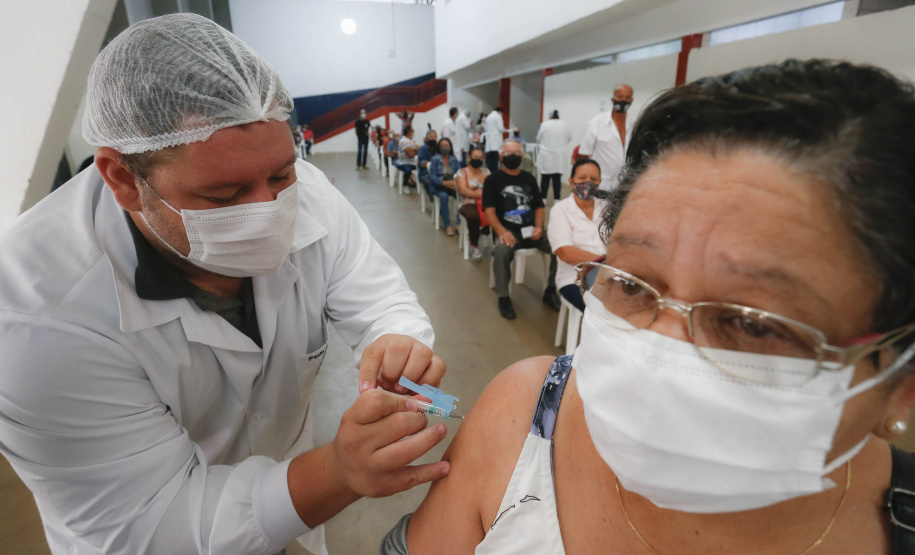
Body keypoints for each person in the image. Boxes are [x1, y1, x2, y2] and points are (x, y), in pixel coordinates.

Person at [383, 59, 915, 554]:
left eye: (752, 323)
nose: (661, 355)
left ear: (901, 386)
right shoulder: (522, 414)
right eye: (634, 285)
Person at [0, 15, 452, 555]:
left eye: (281, 175)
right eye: (224, 196)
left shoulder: (306, 191)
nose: (269, 212)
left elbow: (378, 294)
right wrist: (334, 473)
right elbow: (152, 525)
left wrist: (394, 338)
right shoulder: (37, 321)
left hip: (289, 506)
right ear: (122, 179)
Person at [481, 139, 560, 320]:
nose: (513, 156)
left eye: (517, 153)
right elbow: (489, 211)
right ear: (501, 156)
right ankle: (504, 297)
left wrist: (539, 226)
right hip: (508, 232)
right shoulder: (493, 180)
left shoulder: (529, 178)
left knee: (560, 245)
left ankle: (550, 290)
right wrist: (501, 231)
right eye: (509, 153)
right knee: (501, 251)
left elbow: (539, 207)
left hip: (532, 231)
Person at [547, 159, 605, 312]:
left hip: (610, 275)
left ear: (600, 182)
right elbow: (565, 253)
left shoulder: (607, 208)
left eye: (593, 179)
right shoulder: (560, 210)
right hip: (575, 279)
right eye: (582, 178)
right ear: (571, 182)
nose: (588, 183)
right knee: (603, 312)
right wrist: (607, 265)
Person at [578, 83, 634, 191]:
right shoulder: (596, 123)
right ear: (613, 99)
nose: (623, 100)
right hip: (602, 186)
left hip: (626, 186)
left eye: (627, 97)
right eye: (620, 96)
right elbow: (583, 156)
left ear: (632, 100)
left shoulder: (634, 125)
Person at [454, 146, 490, 261]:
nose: (478, 160)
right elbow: (464, 191)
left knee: (498, 212)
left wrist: (476, 193)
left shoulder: (486, 172)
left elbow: (491, 189)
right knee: (473, 216)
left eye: (480, 157)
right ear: (469, 158)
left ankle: (494, 240)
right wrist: (481, 194)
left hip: (485, 202)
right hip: (468, 203)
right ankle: (474, 245)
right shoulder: (461, 173)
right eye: (475, 157)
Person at [536, 110, 572, 202]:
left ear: (550, 116)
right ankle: (557, 199)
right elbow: (569, 139)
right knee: (557, 179)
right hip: (560, 156)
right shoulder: (565, 124)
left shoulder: (545, 124)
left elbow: (538, 138)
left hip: (546, 155)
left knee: (545, 178)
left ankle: (543, 198)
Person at [429, 138, 461, 237]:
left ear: (450, 147)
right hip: (439, 186)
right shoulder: (435, 159)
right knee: (444, 197)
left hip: (452, 184)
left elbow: (459, 173)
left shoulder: (454, 159)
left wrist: (455, 183)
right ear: (439, 147)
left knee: (461, 196)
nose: (445, 148)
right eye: (442, 146)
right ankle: (447, 224)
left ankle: (459, 223)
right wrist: (444, 183)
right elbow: (433, 176)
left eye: (446, 145)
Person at [483, 106, 507, 173]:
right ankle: (494, 171)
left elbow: (485, 128)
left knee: (490, 157)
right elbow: (500, 128)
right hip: (496, 139)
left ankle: (489, 170)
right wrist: (504, 129)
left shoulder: (488, 117)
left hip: (489, 139)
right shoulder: (498, 116)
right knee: (495, 157)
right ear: (500, 111)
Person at [416, 129, 438, 193]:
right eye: (431, 137)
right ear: (426, 139)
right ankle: (433, 196)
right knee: (430, 182)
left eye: (435, 137)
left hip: (437, 174)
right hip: (425, 174)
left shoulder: (438, 148)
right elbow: (421, 163)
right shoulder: (422, 149)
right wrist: (433, 164)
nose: (433, 139)